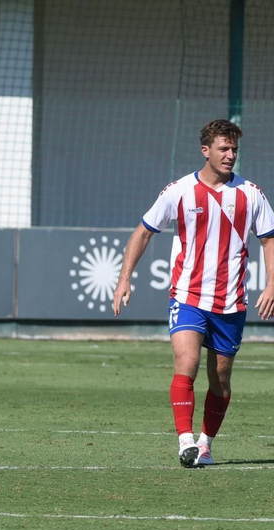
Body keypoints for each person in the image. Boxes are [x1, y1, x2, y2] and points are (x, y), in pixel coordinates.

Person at [114, 118, 274, 467]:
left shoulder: (251, 194)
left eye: (234, 149)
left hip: (231, 302)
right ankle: (185, 441)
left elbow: (269, 239)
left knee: (220, 379)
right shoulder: (179, 191)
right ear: (206, 151)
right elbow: (143, 232)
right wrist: (124, 278)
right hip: (187, 296)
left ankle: (205, 444)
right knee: (186, 362)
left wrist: (272, 284)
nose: (230, 155)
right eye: (223, 148)